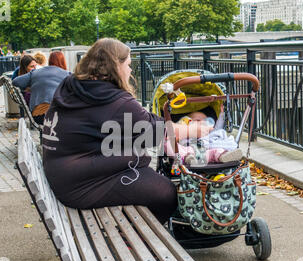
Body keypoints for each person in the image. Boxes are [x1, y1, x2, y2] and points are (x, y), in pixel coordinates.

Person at [42, 38, 212, 225]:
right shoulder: (113, 101)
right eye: (128, 65)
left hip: (66, 173)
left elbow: (141, 122)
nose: (131, 71)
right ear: (116, 66)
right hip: (83, 186)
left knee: (143, 166)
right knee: (167, 193)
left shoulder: (74, 86)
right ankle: (136, 239)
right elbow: (159, 133)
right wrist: (195, 130)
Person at [12, 51, 69, 125]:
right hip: (56, 115)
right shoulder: (66, 74)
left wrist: (30, 85)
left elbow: (15, 81)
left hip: (38, 115)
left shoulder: (35, 73)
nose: (35, 68)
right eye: (32, 66)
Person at [174, 111, 242, 165]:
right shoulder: (186, 134)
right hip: (193, 151)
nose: (203, 122)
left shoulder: (209, 133)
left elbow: (218, 128)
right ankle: (189, 158)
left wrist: (221, 114)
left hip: (209, 150)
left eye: (206, 121)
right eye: (198, 120)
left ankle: (225, 156)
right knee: (183, 149)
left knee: (218, 149)